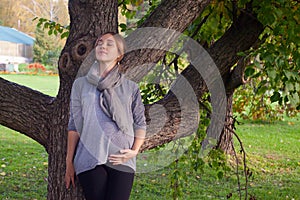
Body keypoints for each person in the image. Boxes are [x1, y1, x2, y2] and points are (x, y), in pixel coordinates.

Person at [65, 32, 147, 200]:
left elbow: (140, 123)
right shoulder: (81, 84)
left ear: (119, 55)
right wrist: (69, 162)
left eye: (109, 44)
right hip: (89, 156)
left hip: (122, 158)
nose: (102, 46)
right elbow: (74, 125)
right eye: (100, 43)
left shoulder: (130, 87)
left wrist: (134, 151)